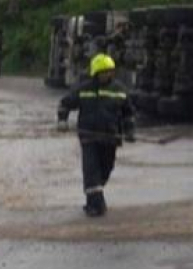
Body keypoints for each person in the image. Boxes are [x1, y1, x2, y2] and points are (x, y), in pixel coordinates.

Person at [57, 53, 135, 217]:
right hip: (89, 137)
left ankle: (94, 199)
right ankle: (95, 206)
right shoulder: (84, 89)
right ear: (96, 73)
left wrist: (130, 131)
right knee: (91, 170)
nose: (109, 74)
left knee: (105, 170)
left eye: (110, 71)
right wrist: (62, 121)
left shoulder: (119, 90)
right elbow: (65, 104)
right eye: (105, 71)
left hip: (110, 138)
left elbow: (128, 113)